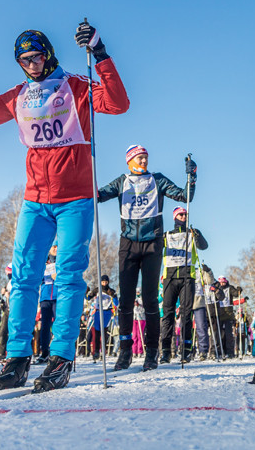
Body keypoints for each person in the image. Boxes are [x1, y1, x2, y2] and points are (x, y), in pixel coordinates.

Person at [0, 21, 130, 390]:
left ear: (49, 53)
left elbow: (117, 103)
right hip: (35, 201)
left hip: (75, 199)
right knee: (24, 278)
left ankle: (61, 358)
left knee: (67, 278)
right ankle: (17, 359)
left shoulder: (76, 87)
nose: (32, 65)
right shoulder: (20, 95)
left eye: (36, 57)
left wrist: (100, 53)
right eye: (24, 60)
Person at [97, 145, 196, 371]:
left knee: (151, 300)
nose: (144, 162)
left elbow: (184, 196)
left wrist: (192, 177)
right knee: (125, 300)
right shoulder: (122, 181)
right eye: (140, 158)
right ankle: (125, 351)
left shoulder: (157, 180)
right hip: (128, 244)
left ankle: (152, 352)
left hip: (152, 243)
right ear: (130, 161)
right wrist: (85, 180)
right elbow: (98, 196)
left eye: (146, 158)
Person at [159, 207, 208, 364]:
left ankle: (186, 351)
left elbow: (203, 246)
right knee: (168, 315)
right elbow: (155, 249)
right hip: (170, 278)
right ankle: (166, 351)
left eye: (185, 214)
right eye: (180, 214)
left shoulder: (191, 233)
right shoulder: (167, 235)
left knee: (187, 315)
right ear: (174, 217)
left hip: (187, 277)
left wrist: (197, 235)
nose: (183, 216)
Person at [34, 244, 57, 365]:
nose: (55, 249)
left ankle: (57, 352)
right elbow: (38, 278)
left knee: (58, 324)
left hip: (58, 297)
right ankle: (44, 352)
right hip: (45, 297)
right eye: (54, 246)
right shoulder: (43, 262)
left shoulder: (62, 262)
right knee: (45, 326)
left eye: (58, 247)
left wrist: (58, 278)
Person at [86, 276, 118, 361]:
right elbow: (88, 298)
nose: (104, 284)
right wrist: (86, 293)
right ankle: (96, 351)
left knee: (104, 332)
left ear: (108, 282)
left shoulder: (110, 291)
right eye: (102, 282)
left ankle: (103, 350)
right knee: (96, 332)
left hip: (107, 312)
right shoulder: (96, 290)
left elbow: (116, 303)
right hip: (97, 312)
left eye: (105, 282)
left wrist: (114, 296)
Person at [213, 276, 240, 358]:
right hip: (219, 312)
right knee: (220, 334)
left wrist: (239, 290)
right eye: (221, 282)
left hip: (228, 313)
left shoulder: (229, 288)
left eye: (224, 282)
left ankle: (230, 352)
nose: (222, 284)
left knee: (229, 334)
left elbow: (235, 294)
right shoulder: (216, 288)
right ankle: (219, 351)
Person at [0, 264, 12, 359]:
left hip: (14, 310)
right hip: (7, 309)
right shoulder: (8, 283)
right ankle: (2, 352)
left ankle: (11, 353)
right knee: (2, 331)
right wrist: (3, 294)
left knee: (12, 331)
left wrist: (8, 294)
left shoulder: (17, 281)